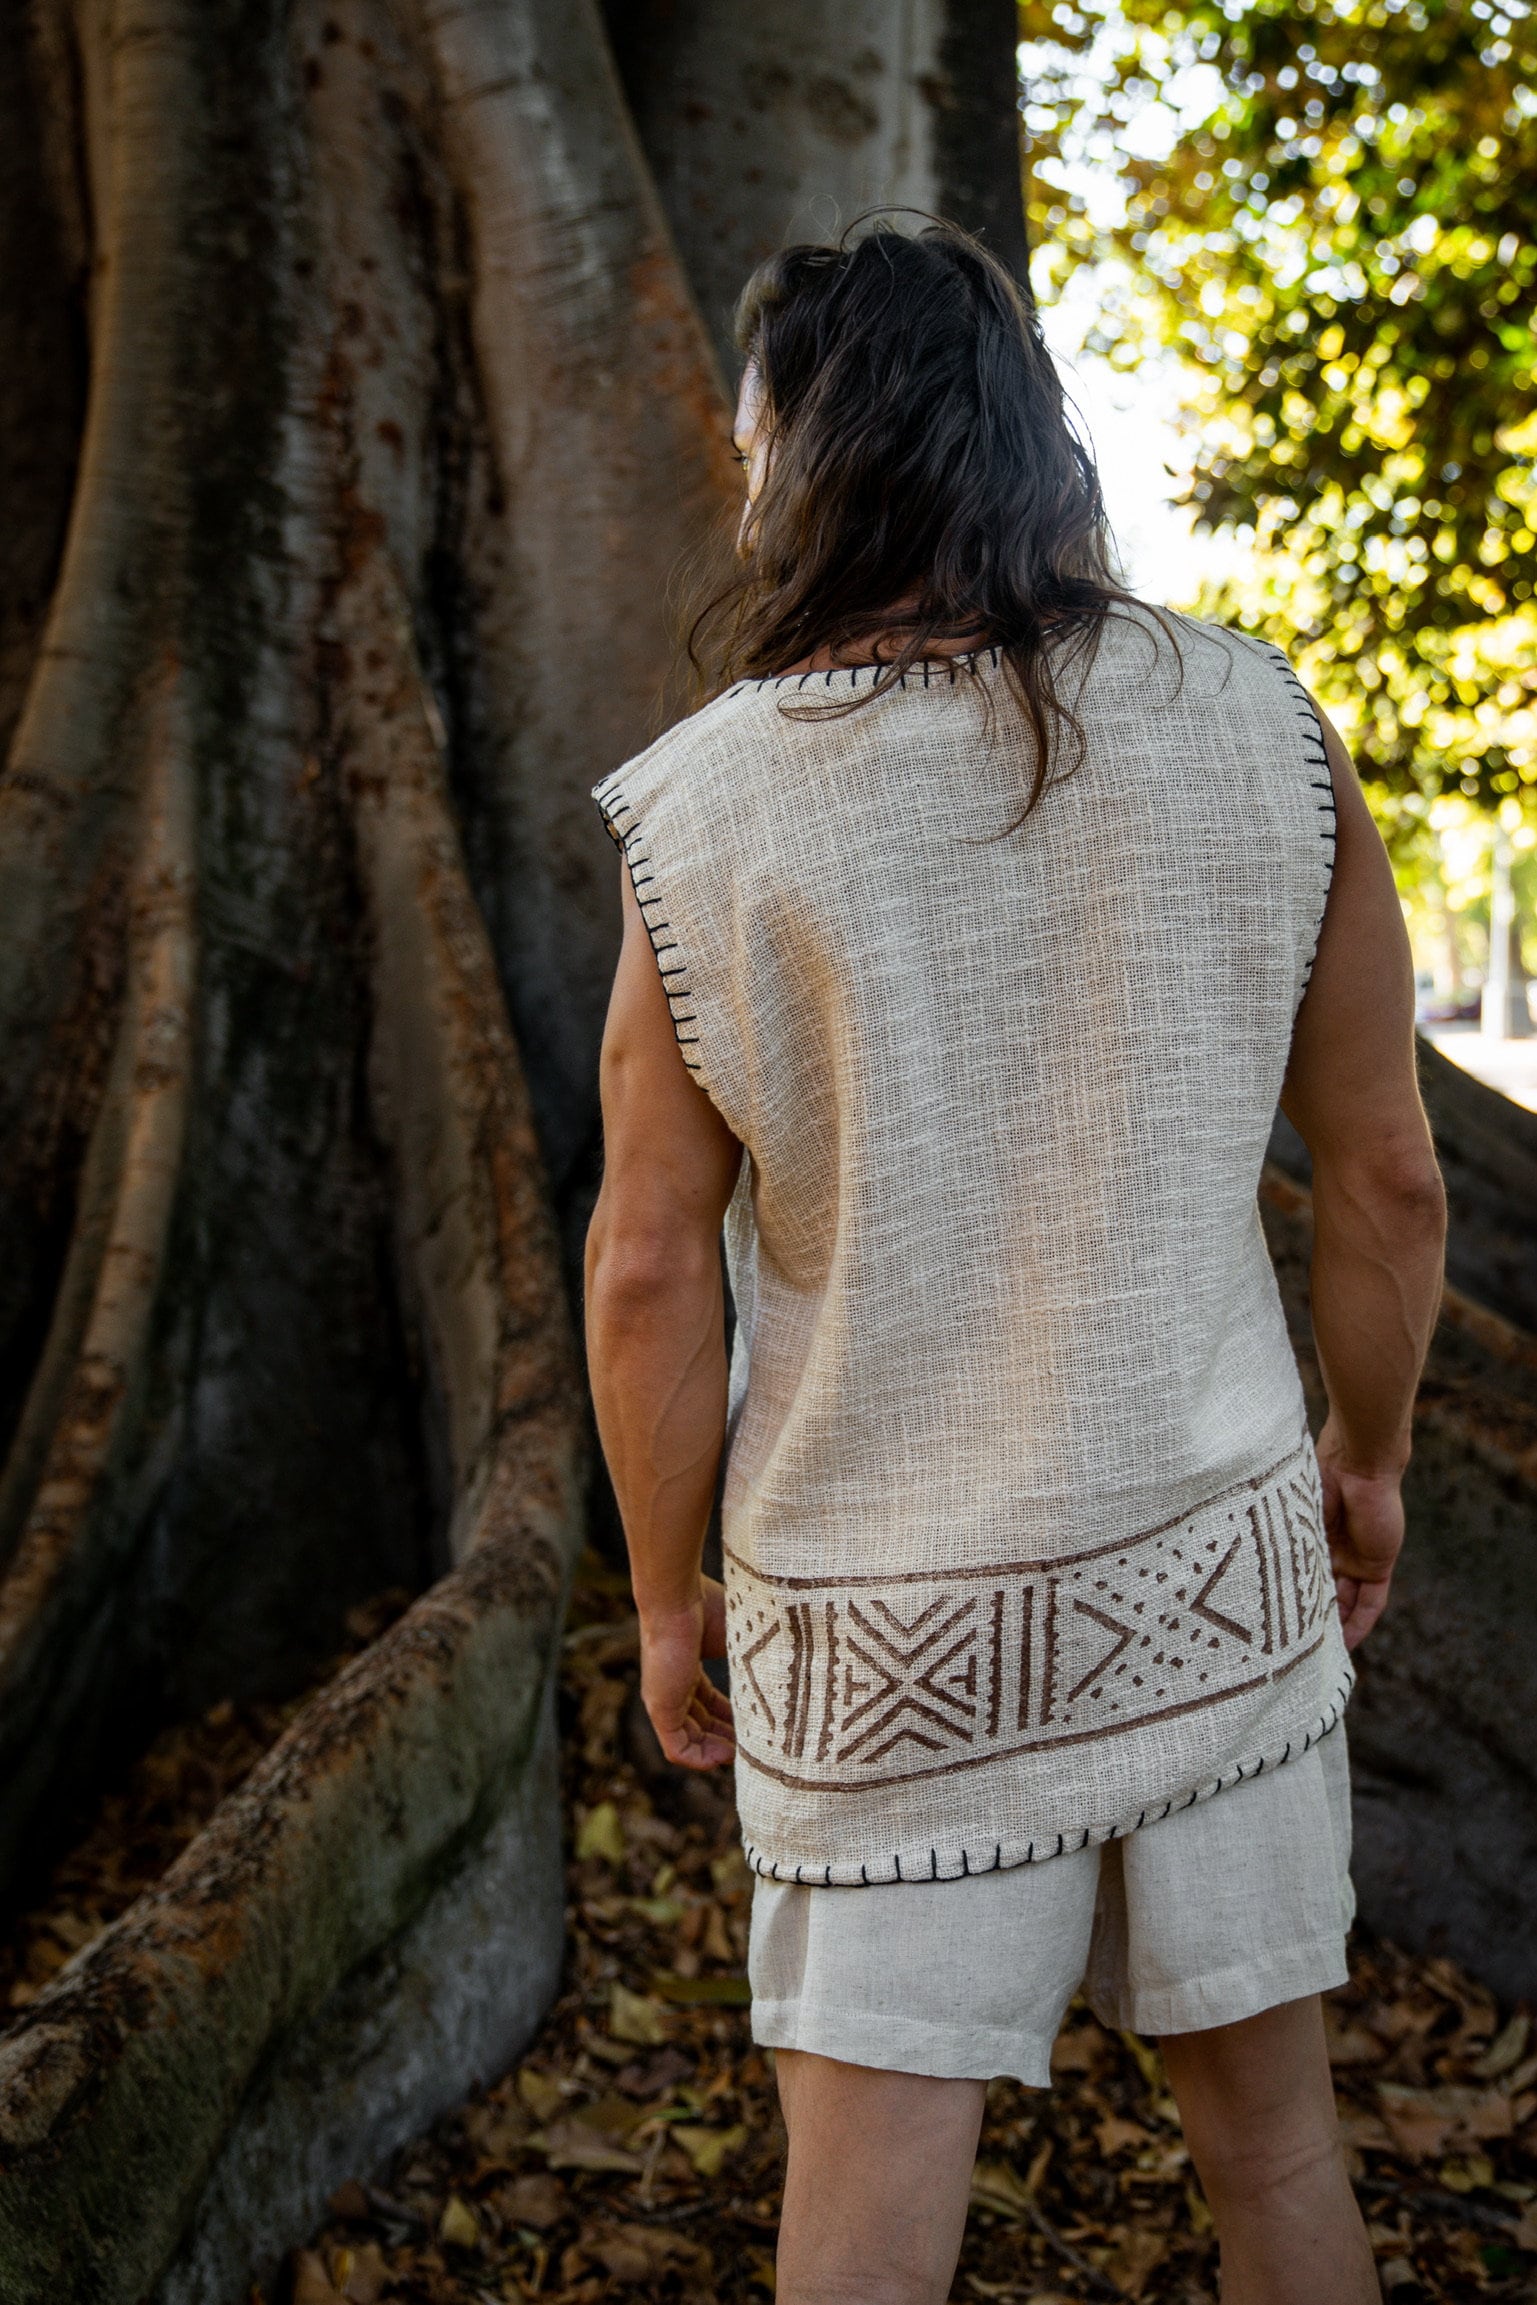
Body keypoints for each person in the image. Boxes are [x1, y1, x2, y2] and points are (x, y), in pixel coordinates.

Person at [584, 221, 1446, 2305]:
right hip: (1213, 1578)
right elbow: (1388, 1180)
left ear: (787, 461)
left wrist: (666, 1591)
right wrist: (1366, 1452)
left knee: (865, 2234)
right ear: (1028, 440)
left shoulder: (705, 815)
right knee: (1278, 2161)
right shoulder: (1260, 725)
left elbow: (643, 1265)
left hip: (877, 1643)